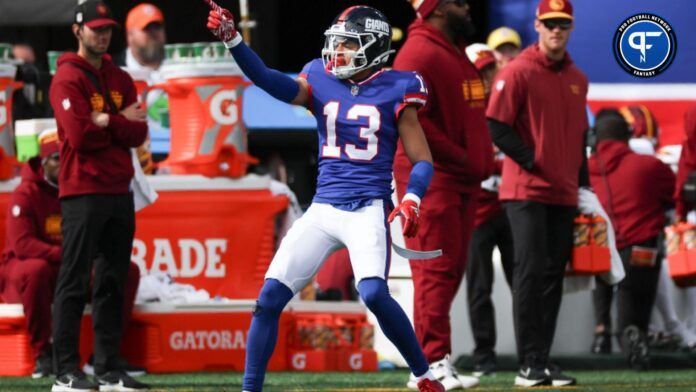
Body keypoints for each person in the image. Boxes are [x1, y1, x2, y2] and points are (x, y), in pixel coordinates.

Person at [206, 2, 444, 392]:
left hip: (367, 207)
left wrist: (413, 197)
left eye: (348, 45)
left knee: (373, 293)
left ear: (373, 46)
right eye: (338, 43)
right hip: (323, 208)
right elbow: (269, 80)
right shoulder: (320, 76)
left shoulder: (400, 86)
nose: (338, 53)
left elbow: (422, 159)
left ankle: (423, 375)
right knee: (268, 299)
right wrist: (234, 40)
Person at [486, 0, 588, 387]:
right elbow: (496, 125)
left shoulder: (578, 77)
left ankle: (541, 360)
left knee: (552, 276)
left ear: (571, 27)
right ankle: (529, 363)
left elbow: (579, 138)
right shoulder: (517, 72)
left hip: (562, 193)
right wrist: (534, 162)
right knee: (529, 273)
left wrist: (584, 186)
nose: (556, 30)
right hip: (525, 190)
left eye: (562, 24)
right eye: (550, 24)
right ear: (538, 26)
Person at [48, 1, 149, 390]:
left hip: (117, 189)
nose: (102, 34)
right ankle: (66, 371)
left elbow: (139, 135)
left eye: (106, 28)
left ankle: (107, 368)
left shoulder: (119, 76)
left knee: (112, 281)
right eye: (95, 28)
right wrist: (119, 121)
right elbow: (79, 136)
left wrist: (108, 120)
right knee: (74, 281)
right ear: (78, 31)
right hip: (82, 190)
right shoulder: (66, 79)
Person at [392, 0, 492, 389]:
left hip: (460, 178)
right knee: (433, 272)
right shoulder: (417, 52)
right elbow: (409, 120)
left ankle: (436, 360)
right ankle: (430, 365)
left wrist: (476, 162)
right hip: (434, 178)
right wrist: (464, 157)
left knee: (447, 273)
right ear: (435, 9)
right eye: (457, 2)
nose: (467, 7)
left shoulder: (446, 49)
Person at [0, 131, 143, 380]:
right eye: (56, 157)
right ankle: (43, 355)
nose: (63, 162)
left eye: (67, 156)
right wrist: (68, 255)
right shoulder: (26, 193)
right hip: (28, 268)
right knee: (36, 270)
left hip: (70, 263)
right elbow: (23, 246)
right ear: (43, 163)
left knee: (125, 270)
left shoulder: (82, 187)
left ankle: (104, 357)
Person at [588, 109, 675, 369]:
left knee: (599, 265)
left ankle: (601, 332)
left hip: (599, 248)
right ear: (627, 136)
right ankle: (634, 334)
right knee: (635, 302)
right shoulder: (650, 166)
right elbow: (671, 194)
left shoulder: (584, 170)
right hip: (640, 250)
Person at [462, 43, 514, 378]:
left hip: (510, 208)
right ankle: (484, 355)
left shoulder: (509, 107)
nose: (486, 76)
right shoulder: (461, 112)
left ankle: (532, 353)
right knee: (479, 287)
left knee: (522, 283)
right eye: (480, 71)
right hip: (476, 213)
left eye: (489, 69)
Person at [113, 2, 167, 173]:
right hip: (128, 158)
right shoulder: (112, 69)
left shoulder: (179, 67)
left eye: (157, 28)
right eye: (146, 29)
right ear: (129, 35)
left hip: (171, 155)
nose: (153, 34)